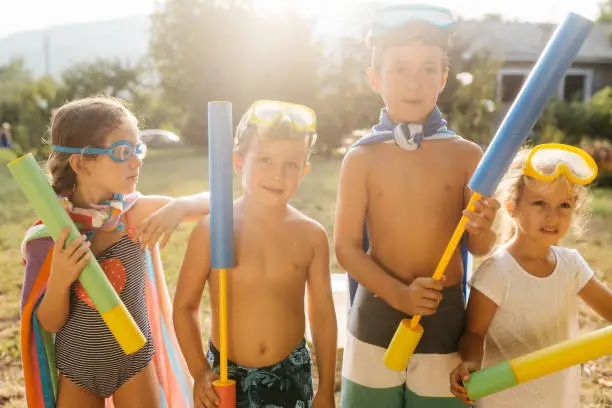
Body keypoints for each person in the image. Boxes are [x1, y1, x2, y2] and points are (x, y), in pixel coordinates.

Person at [333, 4, 499, 407]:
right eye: (399, 69)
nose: (414, 82)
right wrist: (398, 295)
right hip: (376, 311)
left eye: (428, 69)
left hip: (443, 317)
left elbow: (479, 247)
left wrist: (484, 227)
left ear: (443, 78)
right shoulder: (361, 158)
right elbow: (346, 249)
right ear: (375, 78)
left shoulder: (466, 155)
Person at [20, 96, 211, 408]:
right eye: (123, 152)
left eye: (138, 149)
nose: (137, 161)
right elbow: (49, 323)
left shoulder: (133, 213)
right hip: (78, 368)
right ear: (81, 163)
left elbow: (216, 201)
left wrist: (180, 206)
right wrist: (60, 280)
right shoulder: (50, 235)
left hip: (133, 362)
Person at [173, 100, 338, 408]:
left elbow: (323, 314)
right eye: (264, 159)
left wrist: (326, 387)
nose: (277, 175)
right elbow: (184, 307)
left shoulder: (312, 236)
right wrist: (199, 372)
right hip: (226, 374)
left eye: (291, 164)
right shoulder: (212, 231)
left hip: (291, 373)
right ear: (238, 161)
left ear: (303, 170)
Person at [450, 145, 612, 408]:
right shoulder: (498, 271)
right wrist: (469, 363)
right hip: (504, 399)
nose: (553, 215)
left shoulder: (571, 265)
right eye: (540, 203)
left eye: (564, 205)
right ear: (512, 208)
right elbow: (473, 333)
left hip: (557, 398)